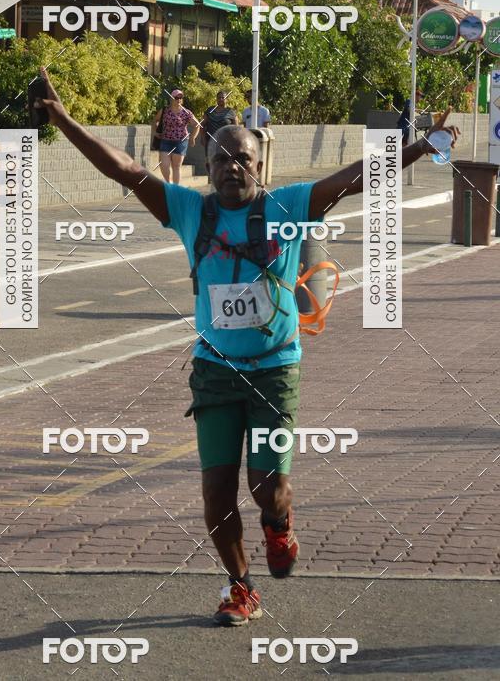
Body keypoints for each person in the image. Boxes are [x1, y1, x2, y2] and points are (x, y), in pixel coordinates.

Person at [35, 68, 458, 628]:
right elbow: (127, 169)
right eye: (221, 160)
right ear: (205, 167)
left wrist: (417, 147)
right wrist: (63, 120)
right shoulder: (191, 211)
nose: (233, 167)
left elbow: (356, 178)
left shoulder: (288, 207)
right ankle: (241, 587)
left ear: (261, 165)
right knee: (215, 497)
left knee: (268, 488)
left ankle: (279, 525)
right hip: (214, 371)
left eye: (244, 159)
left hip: (276, 370)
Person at [152, 90, 199, 185]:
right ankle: (169, 183)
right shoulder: (165, 110)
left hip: (180, 142)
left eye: (180, 98)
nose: (179, 100)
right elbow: (155, 121)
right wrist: (155, 132)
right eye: (176, 98)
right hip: (166, 140)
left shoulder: (186, 112)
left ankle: (175, 189)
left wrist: (193, 137)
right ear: (171, 98)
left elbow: (197, 125)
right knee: (164, 164)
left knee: (176, 166)